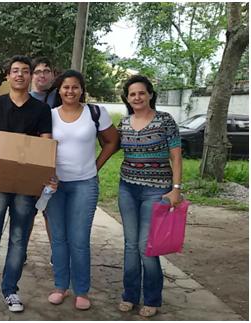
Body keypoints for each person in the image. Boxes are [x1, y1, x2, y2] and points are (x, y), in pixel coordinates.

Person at [0, 55, 55, 314]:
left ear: (30, 76)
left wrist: (46, 174)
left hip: (27, 184)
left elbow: (45, 143)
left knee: (18, 239)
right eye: (15, 71)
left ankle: (10, 290)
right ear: (7, 76)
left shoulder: (41, 111)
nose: (20, 75)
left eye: (25, 71)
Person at [44, 70, 119, 310]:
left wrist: (96, 166)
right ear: (59, 90)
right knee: (58, 238)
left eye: (75, 87)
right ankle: (60, 286)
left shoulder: (95, 113)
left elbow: (112, 141)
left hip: (85, 184)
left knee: (79, 239)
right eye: (66, 87)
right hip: (55, 185)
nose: (70, 91)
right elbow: (40, 147)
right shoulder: (49, 115)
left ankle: (82, 290)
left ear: (81, 89)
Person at [117, 75, 182, 317]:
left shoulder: (165, 120)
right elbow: (109, 144)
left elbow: (176, 155)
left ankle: (153, 298)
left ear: (150, 94)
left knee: (147, 246)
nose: (137, 97)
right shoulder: (124, 123)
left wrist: (176, 188)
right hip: (127, 188)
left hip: (156, 191)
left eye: (141, 93)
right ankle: (129, 295)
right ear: (127, 98)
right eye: (132, 94)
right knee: (130, 245)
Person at [27, 56, 56, 264]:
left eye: (46, 71)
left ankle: (57, 254)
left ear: (53, 75)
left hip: (55, 165)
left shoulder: (62, 97)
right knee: (25, 212)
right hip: (28, 164)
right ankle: (21, 253)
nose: (42, 75)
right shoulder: (24, 99)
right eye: (37, 72)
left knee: (51, 213)